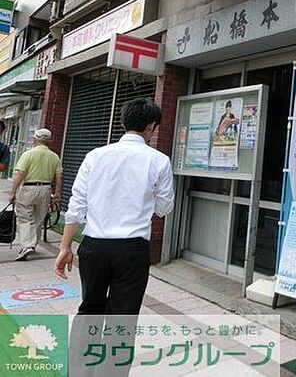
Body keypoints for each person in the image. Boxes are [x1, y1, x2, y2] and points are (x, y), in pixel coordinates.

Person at [55, 98, 174, 316]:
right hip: (133, 249)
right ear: (151, 126)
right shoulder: (160, 161)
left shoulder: (95, 156)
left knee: (90, 309)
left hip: (94, 246)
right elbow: (163, 208)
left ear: (123, 122)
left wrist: (65, 247)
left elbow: (77, 205)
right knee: (123, 315)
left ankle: (85, 341)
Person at [9, 128, 62, 261]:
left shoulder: (28, 154)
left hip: (28, 188)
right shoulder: (54, 156)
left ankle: (27, 245)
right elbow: (59, 176)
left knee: (25, 218)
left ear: (35, 139)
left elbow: (20, 173)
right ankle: (33, 244)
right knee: (39, 219)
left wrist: (13, 191)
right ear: (49, 141)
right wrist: (57, 193)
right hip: (46, 189)